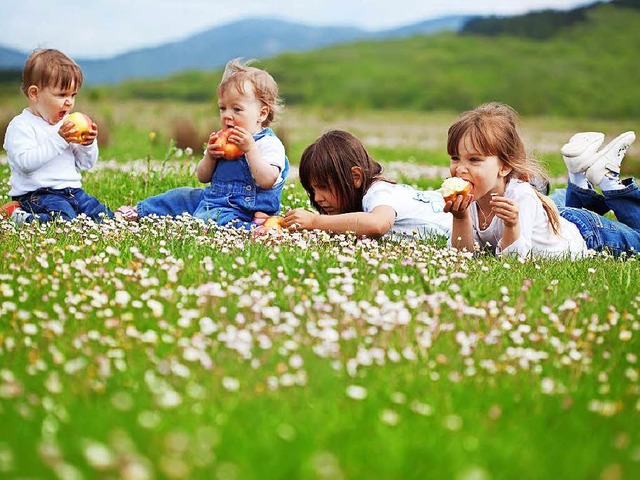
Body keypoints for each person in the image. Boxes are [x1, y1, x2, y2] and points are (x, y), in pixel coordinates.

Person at [444, 101, 639, 258]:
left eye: (474, 160)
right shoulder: (473, 197)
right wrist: (460, 218)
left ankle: (608, 179)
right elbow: (462, 254)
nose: (460, 169)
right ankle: (578, 176)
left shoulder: (521, 196)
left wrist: (512, 225)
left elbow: (515, 261)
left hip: (588, 235)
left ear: (504, 167)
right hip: (560, 220)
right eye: (455, 158)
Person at [116, 58, 288, 228]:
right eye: (223, 108)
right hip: (213, 199)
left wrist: (250, 149)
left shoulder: (268, 144)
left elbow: (267, 180)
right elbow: (202, 177)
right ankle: (141, 211)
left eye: (236, 109)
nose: (227, 115)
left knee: (210, 218)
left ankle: (254, 230)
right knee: (180, 197)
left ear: (262, 114)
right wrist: (211, 157)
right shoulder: (221, 140)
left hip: (246, 209)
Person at [0, 48, 112, 223]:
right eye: (62, 94)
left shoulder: (67, 124)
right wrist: (59, 140)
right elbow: (25, 164)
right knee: (63, 221)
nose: (69, 101)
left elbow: (86, 164)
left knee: (105, 217)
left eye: (73, 95)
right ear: (35, 93)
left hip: (74, 192)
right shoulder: (21, 126)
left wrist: (88, 144)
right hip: (38, 195)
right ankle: (17, 215)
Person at [282, 130, 451, 239]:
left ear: (355, 177)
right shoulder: (365, 202)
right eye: (312, 190)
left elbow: (377, 224)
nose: (318, 198)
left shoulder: (378, 192)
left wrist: (314, 221)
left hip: (467, 227)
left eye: (324, 187)